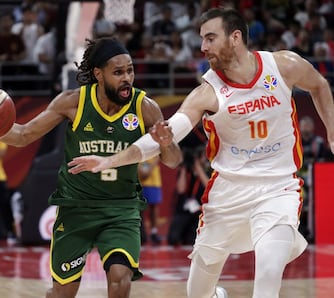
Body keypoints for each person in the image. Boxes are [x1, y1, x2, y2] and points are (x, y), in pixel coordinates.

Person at [67, 8, 334, 298]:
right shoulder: (207, 93)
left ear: (235, 38)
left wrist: (332, 132)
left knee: (268, 274)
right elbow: (163, 136)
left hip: (278, 188)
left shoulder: (283, 65)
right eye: (201, 39)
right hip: (228, 195)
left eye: (210, 38)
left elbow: (319, 85)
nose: (203, 47)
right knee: (197, 293)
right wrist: (110, 160)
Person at [0, 37, 182, 298]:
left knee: (120, 279)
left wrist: (167, 144)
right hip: (76, 209)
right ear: (98, 74)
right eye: (118, 72)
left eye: (130, 70)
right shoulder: (73, 102)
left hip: (121, 209)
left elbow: (173, 160)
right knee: (62, 294)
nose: (127, 78)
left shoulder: (145, 107)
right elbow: (23, 134)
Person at [167, 146, 209, 246]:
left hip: (199, 211)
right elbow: (181, 189)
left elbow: (208, 187)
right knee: (173, 239)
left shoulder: (207, 171)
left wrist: (198, 168)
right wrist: (184, 168)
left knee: (192, 240)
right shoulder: (185, 171)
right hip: (183, 210)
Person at [138, 156, 162, 245]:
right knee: (140, 208)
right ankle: (141, 232)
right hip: (140, 180)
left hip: (153, 180)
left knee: (154, 206)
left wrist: (150, 168)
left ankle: (154, 232)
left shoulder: (155, 144)